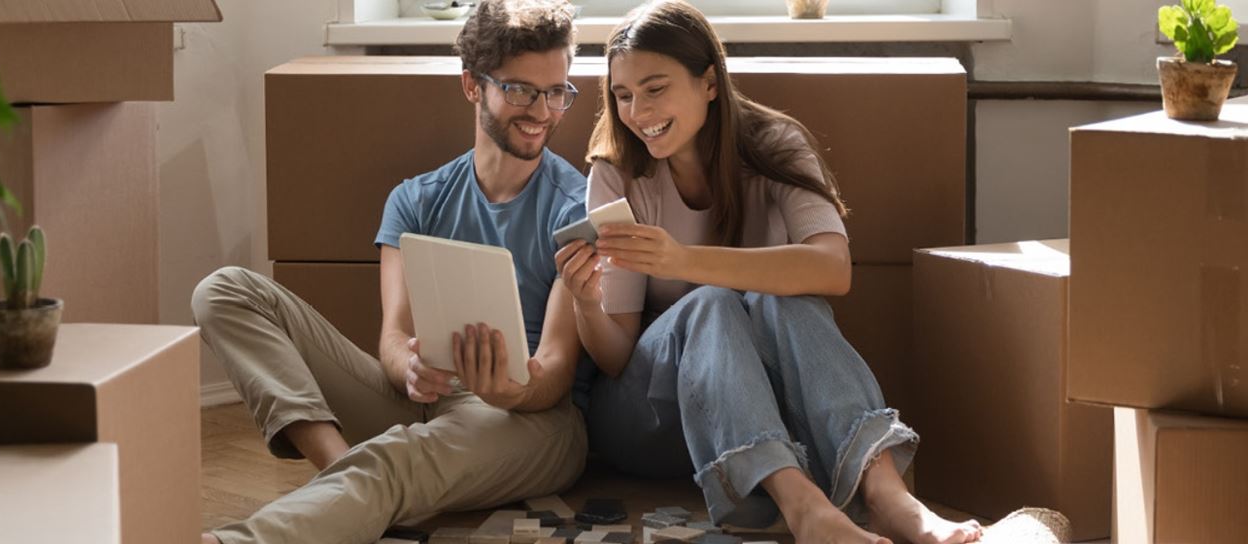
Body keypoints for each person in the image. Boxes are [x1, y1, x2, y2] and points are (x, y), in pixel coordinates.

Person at [553, 2, 984, 543]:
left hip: (767, 413)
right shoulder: (617, 169)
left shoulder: (774, 144)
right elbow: (616, 358)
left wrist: (683, 260)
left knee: (786, 298)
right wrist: (585, 301)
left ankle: (887, 496)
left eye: (655, 89)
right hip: (650, 420)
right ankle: (804, 508)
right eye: (622, 95)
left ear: (709, 82)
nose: (637, 112)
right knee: (713, 303)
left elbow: (833, 269)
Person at [192, 1, 590, 542]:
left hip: (528, 422)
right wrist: (407, 368)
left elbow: (558, 370)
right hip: (420, 400)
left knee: (396, 459)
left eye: (555, 93)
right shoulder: (415, 199)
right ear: (473, 86)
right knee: (224, 291)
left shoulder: (574, 208)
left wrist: (509, 391)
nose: (541, 111)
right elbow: (393, 336)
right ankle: (342, 471)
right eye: (520, 90)